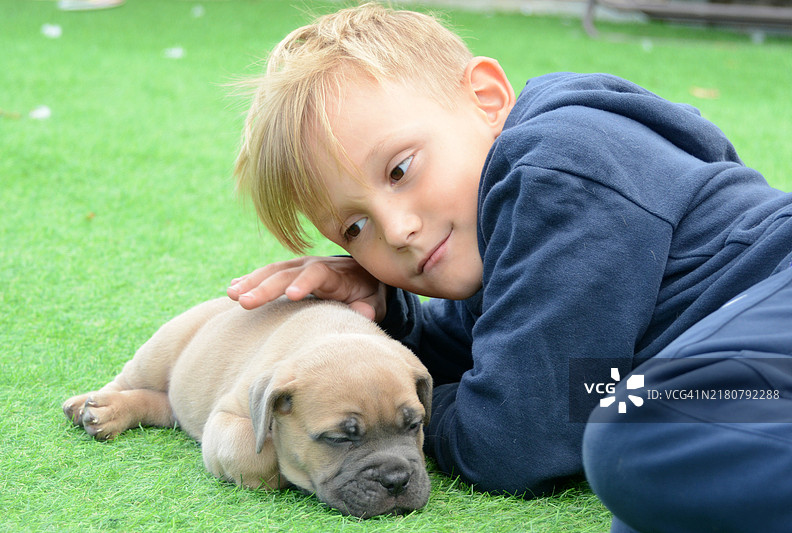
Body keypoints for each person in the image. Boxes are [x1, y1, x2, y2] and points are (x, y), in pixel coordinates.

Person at [227, 4, 792, 531]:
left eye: (400, 170)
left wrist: (409, 419)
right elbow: (490, 359)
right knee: (654, 453)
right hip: (757, 370)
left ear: (487, 98)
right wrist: (382, 315)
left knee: (637, 444)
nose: (396, 230)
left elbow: (516, 439)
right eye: (354, 229)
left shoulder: (559, 174)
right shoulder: (497, 242)